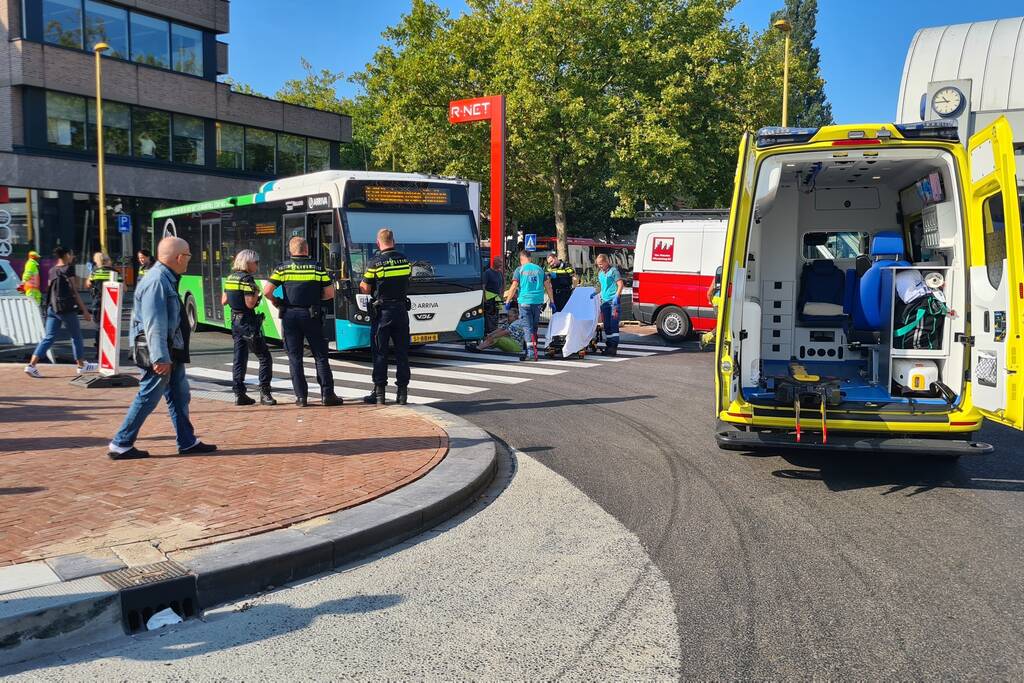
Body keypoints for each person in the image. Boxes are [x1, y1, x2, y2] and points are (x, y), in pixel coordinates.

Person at [108, 237, 215, 460]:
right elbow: (153, 323)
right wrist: (159, 357)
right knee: (148, 396)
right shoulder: (157, 281)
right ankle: (121, 443)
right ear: (178, 257)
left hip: (170, 349)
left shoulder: (164, 278)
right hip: (161, 352)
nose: (188, 259)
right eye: (187, 255)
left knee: (179, 396)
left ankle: (187, 441)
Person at [263, 236, 342, 407]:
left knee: (295, 358)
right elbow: (329, 293)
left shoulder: (282, 268)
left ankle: (301, 398)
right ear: (306, 249)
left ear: (291, 250)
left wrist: (278, 302)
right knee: (320, 356)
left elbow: (267, 291)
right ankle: (327, 395)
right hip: (311, 315)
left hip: (290, 315)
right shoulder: (317, 267)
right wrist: (315, 298)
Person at [24, 248, 97, 377]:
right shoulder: (68, 269)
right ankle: (81, 365)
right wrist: (85, 310)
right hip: (66, 308)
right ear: (67, 255)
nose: (72, 256)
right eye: (72, 254)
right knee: (76, 336)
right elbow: (74, 291)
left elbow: (49, 288)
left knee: (49, 337)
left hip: (52, 308)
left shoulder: (52, 270)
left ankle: (31, 365)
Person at [359, 228, 412, 405]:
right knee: (402, 353)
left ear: (378, 242)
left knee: (380, 352)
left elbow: (365, 288)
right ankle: (402, 394)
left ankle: (379, 393)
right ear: (393, 241)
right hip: (401, 311)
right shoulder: (405, 260)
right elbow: (407, 279)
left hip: (382, 312)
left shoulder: (375, 263)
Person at [222, 249, 276, 407]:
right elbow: (249, 304)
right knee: (264, 357)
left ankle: (239, 393)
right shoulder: (247, 280)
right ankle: (265, 393)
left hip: (235, 322)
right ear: (248, 262)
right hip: (248, 323)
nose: (257, 265)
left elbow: (224, 301)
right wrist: (257, 294)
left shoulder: (230, 278)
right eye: (256, 262)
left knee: (239, 358)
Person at [505, 250, 554, 362]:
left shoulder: (520, 270)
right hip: (537, 302)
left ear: (522, 258)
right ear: (530, 258)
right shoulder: (540, 270)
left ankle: (531, 354)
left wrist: (508, 301)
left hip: (524, 302)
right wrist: (552, 301)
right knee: (534, 327)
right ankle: (532, 350)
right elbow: (548, 286)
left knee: (527, 328)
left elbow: (513, 287)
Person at [85, 252, 118, 360]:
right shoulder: (115, 272)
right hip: (112, 303)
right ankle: (110, 352)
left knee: (99, 328)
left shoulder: (95, 272)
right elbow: (125, 288)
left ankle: (99, 352)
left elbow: (88, 284)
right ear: (108, 260)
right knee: (111, 327)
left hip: (97, 303)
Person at [596, 254, 624, 356]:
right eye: (598, 264)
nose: (600, 266)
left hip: (613, 303)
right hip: (604, 302)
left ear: (606, 262)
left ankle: (613, 347)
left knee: (613, 325)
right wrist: (595, 293)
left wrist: (617, 296)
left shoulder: (613, 271)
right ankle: (609, 346)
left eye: (601, 264)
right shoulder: (600, 273)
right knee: (607, 325)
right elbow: (602, 287)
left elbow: (620, 284)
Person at [482, 258, 504, 334]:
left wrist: (501, 296)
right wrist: (484, 298)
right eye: (499, 262)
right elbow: (483, 286)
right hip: (489, 298)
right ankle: (488, 332)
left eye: (501, 262)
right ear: (494, 263)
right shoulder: (487, 273)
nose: (501, 264)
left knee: (496, 316)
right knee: (489, 316)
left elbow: (502, 285)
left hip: (497, 299)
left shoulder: (500, 273)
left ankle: (493, 331)